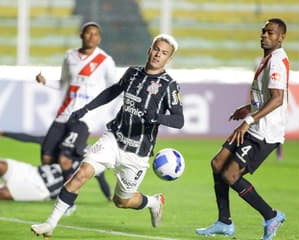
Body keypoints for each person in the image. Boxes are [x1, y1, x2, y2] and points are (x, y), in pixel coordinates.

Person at [30, 33, 184, 238]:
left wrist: (155, 117)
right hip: (114, 139)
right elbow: (112, 92)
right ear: (149, 50)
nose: (158, 54)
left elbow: (178, 120)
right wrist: (85, 109)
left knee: (121, 201)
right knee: (81, 173)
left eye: (164, 53)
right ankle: (50, 224)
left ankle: (154, 202)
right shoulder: (133, 73)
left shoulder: (168, 85)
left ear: (169, 59)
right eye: (156, 49)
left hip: (137, 153)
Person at [195, 18, 289, 240]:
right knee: (217, 163)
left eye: (271, 33)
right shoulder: (267, 59)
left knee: (230, 173)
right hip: (254, 124)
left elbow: (277, 99)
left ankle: (271, 215)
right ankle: (224, 222)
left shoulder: (276, 61)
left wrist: (249, 119)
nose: (265, 35)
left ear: (281, 37)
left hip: (264, 132)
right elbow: (269, 96)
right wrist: (249, 108)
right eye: (263, 31)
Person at [35, 21, 116, 186]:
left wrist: (104, 114)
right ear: (81, 35)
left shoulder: (105, 61)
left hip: (85, 117)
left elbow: (115, 89)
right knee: (46, 157)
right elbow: (63, 83)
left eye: (96, 34)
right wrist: (45, 82)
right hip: (64, 113)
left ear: (99, 39)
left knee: (65, 157)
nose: (92, 37)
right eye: (88, 33)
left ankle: (67, 195)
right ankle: (54, 189)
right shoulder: (69, 56)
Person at [0, 127, 112, 201]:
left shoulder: (88, 154)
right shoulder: (61, 143)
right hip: (39, 178)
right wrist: (2, 132)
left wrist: (109, 196)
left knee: (2, 192)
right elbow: (28, 138)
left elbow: (101, 179)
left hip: (48, 190)